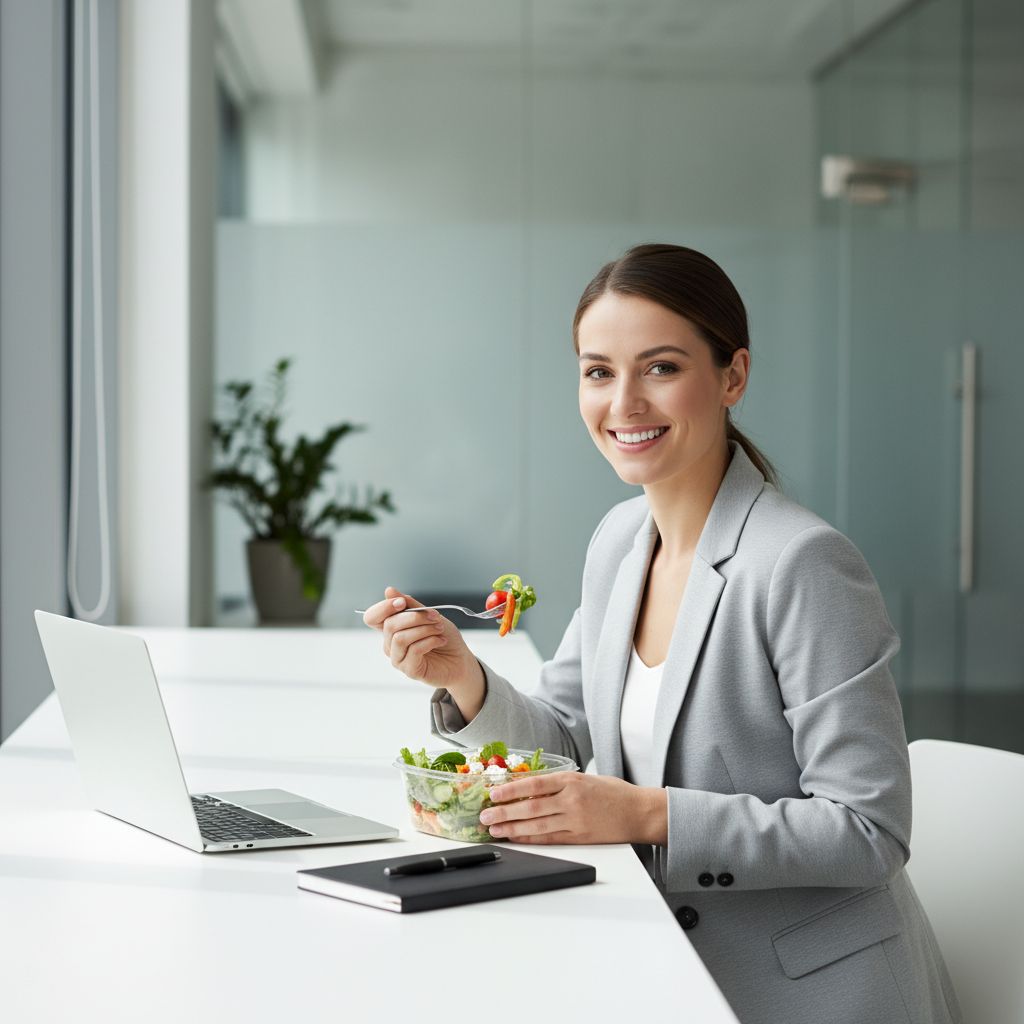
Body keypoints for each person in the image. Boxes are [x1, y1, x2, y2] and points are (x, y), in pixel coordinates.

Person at [362, 244, 961, 1024]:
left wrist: (649, 814)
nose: (624, 404)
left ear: (733, 376)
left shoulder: (801, 564)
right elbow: (568, 745)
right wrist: (463, 676)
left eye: (662, 368)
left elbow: (866, 830)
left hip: (808, 996)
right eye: (599, 371)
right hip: (659, 967)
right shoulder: (619, 540)